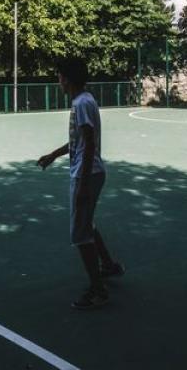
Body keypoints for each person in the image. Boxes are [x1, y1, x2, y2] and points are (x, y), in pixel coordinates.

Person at [37, 57, 124, 310]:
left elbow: (88, 144)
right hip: (88, 172)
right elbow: (79, 142)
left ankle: (98, 290)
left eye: (59, 76)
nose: (58, 81)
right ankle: (108, 265)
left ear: (67, 78)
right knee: (88, 224)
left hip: (87, 174)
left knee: (80, 233)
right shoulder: (81, 101)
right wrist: (53, 155)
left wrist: (83, 184)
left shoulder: (82, 103)